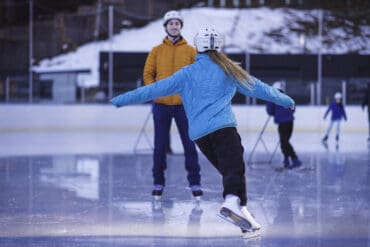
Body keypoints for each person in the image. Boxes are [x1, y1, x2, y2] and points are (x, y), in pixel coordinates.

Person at [111, 27, 295, 234]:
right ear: (219, 46)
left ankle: (241, 211)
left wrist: (121, 100)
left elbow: (153, 89)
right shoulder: (229, 70)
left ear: (198, 47)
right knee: (234, 168)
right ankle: (233, 202)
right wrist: (285, 100)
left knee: (231, 170)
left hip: (200, 136)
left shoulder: (187, 73)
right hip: (223, 129)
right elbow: (260, 88)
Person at [143, 10, 202, 200]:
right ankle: (158, 181)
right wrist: (155, 91)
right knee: (160, 146)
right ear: (165, 26)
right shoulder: (156, 50)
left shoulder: (191, 51)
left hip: (183, 106)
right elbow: (148, 74)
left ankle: (195, 182)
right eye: (171, 23)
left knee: (189, 145)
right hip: (161, 106)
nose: (174, 26)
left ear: (181, 27)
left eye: (177, 23)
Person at [266, 81, 302, 169]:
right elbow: (293, 108)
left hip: (282, 123)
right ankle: (287, 160)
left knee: (284, 142)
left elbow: (270, 111)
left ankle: (294, 159)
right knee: (285, 141)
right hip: (290, 122)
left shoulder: (273, 98)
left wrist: (276, 113)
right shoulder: (286, 97)